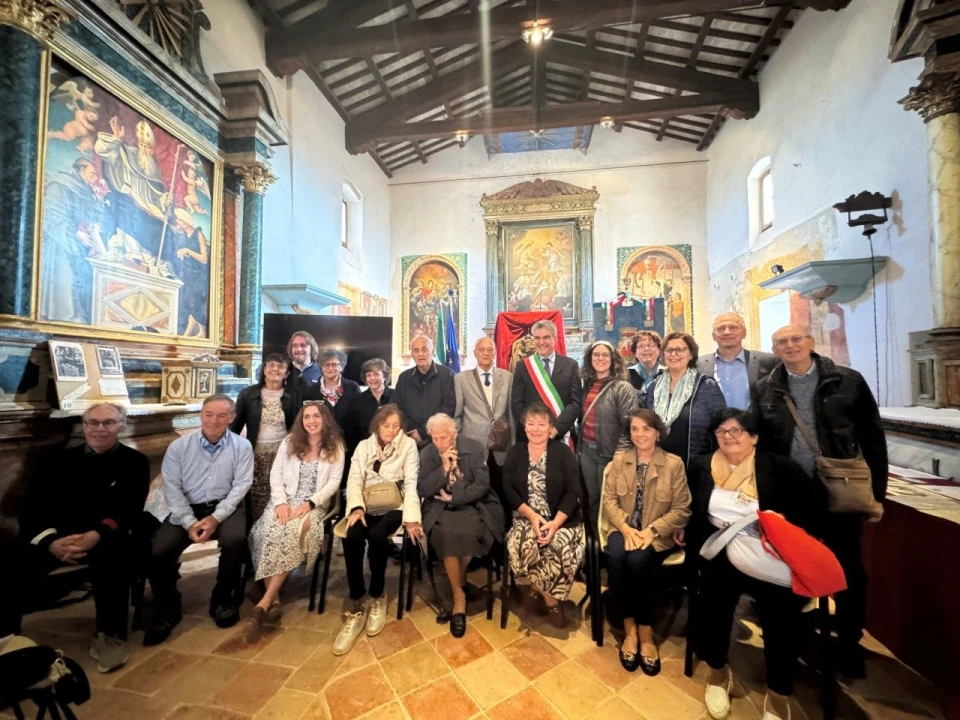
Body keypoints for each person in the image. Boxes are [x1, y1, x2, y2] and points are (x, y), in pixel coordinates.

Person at [755, 325, 887, 678]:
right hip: (792, 493)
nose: (790, 346)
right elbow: (763, 445)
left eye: (796, 339)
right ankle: (795, 633)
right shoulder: (766, 388)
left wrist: (877, 492)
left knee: (846, 566)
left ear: (811, 342)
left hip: (840, 488)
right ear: (775, 349)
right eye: (782, 342)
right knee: (792, 562)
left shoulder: (847, 381)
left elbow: (873, 438)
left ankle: (849, 640)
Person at [685, 409, 826, 720]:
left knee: (781, 613)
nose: (728, 437)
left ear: (754, 437)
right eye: (722, 431)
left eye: (736, 431)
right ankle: (718, 672)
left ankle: (778, 691)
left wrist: (784, 520)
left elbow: (814, 512)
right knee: (712, 603)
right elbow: (693, 512)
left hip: (768, 551)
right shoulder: (702, 466)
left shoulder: (781, 468)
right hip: (720, 548)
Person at [8, 403, 149, 673]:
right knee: (10, 560)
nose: (99, 429)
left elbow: (128, 508)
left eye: (108, 422)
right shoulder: (57, 461)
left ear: (121, 426)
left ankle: (111, 635)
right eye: (92, 422)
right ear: (83, 426)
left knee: (117, 557)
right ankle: (7, 637)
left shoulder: (134, 462)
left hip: (103, 536)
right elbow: (31, 506)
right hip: (57, 539)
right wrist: (50, 542)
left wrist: (96, 535)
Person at [145, 395, 254, 645]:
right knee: (159, 549)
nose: (214, 420)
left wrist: (215, 518)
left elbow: (241, 486)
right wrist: (188, 522)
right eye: (208, 414)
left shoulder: (242, 446)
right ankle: (167, 606)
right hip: (187, 508)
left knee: (235, 540)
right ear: (200, 415)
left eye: (221, 415)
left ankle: (223, 599)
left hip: (225, 506)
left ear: (232, 418)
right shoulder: (179, 447)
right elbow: (172, 487)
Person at [599, 408, 691, 675]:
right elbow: (609, 500)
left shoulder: (673, 464)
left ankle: (646, 631)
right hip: (624, 529)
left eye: (646, 429)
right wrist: (626, 528)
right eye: (635, 429)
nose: (640, 434)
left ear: (658, 433)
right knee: (616, 556)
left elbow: (682, 508)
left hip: (656, 533)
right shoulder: (621, 460)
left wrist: (651, 531)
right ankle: (629, 628)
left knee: (638, 561)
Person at [336, 404, 422, 656]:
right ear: (377, 425)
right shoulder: (364, 446)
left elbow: (412, 483)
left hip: (394, 503)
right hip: (366, 502)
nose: (391, 430)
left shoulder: (408, 445)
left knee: (377, 537)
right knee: (352, 535)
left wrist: (411, 519)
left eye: (396, 426)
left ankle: (377, 594)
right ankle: (356, 598)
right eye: (386, 425)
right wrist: (355, 508)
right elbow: (354, 479)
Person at [248, 402, 343, 627]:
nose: (311, 421)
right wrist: (280, 503)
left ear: (325, 419)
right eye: (307, 417)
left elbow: (334, 482)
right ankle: (274, 600)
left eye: (316, 416)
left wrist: (310, 503)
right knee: (266, 530)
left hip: (314, 504)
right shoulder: (289, 442)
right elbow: (276, 474)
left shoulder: (335, 446)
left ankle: (265, 600)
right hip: (285, 500)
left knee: (291, 531)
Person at [418, 414, 504, 638]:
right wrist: (443, 468)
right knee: (447, 536)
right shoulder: (427, 453)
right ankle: (459, 595)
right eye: (434, 438)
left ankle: (458, 577)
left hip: (472, 504)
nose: (438, 442)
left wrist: (456, 497)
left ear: (454, 434)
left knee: (474, 532)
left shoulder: (473, 447)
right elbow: (423, 489)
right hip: (440, 509)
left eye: (443, 437)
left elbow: (483, 484)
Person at [502, 404, 585, 629]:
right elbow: (507, 488)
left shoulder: (563, 453)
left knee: (559, 548)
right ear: (524, 427)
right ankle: (551, 601)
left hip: (562, 519)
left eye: (541, 424)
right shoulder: (515, 452)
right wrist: (531, 516)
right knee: (524, 543)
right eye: (531, 424)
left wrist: (555, 524)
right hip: (525, 516)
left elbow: (573, 491)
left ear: (550, 428)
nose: (536, 429)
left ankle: (535, 588)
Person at [231, 353, 301, 522]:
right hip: (256, 454)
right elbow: (235, 426)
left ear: (287, 373)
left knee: (281, 494)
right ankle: (254, 532)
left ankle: (276, 530)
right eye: (270, 365)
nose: (275, 369)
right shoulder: (248, 394)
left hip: (284, 454)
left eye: (280, 366)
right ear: (263, 370)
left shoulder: (294, 395)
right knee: (257, 496)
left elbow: (298, 426)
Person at [644, 332, 726, 470]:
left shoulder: (706, 385)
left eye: (680, 350)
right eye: (669, 350)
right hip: (659, 465)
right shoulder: (654, 387)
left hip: (696, 466)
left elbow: (722, 425)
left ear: (691, 354)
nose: (673, 354)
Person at [579, 340, 637, 526]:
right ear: (590, 358)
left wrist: (619, 455)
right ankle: (596, 538)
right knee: (593, 498)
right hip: (587, 452)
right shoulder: (587, 385)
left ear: (613, 359)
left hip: (610, 454)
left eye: (605, 355)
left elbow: (629, 426)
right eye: (596, 355)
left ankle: (612, 539)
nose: (600, 358)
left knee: (611, 501)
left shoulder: (622, 388)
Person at [454, 338, 512, 514]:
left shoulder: (507, 377)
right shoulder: (461, 379)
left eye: (490, 349)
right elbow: (457, 416)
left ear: (495, 353)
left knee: (501, 492)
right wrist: (461, 445)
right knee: (476, 493)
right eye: (481, 349)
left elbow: (511, 413)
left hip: (501, 446)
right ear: (475, 353)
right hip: (474, 445)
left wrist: (513, 443)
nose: (486, 353)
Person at [510, 320, 582, 445]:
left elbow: (575, 403)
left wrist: (556, 429)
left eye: (546, 337)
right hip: (531, 437)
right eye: (537, 338)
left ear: (554, 339)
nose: (541, 342)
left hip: (561, 435)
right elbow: (517, 403)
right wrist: (534, 428)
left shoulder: (571, 365)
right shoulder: (523, 366)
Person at [696, 313, 777, 411]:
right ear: (714, 336)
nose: (727, 332)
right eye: (720, 328)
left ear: (744, 333)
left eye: (733, 327)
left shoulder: (767, 361)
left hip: (753, 420)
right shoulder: (698, 365)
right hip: (712, 420)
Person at [394, 335, 455, 449]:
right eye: (416, 350)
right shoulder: (404, 378)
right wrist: (412, 431)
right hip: (410, 438)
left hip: (438, 438)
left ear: (432, 351)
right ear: (412, 354)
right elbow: (397, 408)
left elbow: (449, 407)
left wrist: (422, 433)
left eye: (424, 349)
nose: (420, 354)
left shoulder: (447, 375)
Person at [303, 348, 361, 433]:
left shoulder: (352, 387)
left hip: (349, 437)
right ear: (321, 367)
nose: (330, 368)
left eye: (334, 364)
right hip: (323, 437)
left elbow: (359, 414)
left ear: (341, 367)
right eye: (326, 364)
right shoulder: (312, 391)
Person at [345, 358, 394, 454]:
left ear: (384, 376)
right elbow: (351, 432)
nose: (372, 378)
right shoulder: (356, 401)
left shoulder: (396, 397)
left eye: (376, 374)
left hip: (393, 450)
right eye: (369, 375)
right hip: (366, 452)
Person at [628, 331, 664, 397]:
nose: (646, 349)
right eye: (641, 346)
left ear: (659, 350)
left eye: (651, 345)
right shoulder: (625, 375)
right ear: (635, 352)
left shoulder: (667, 374)